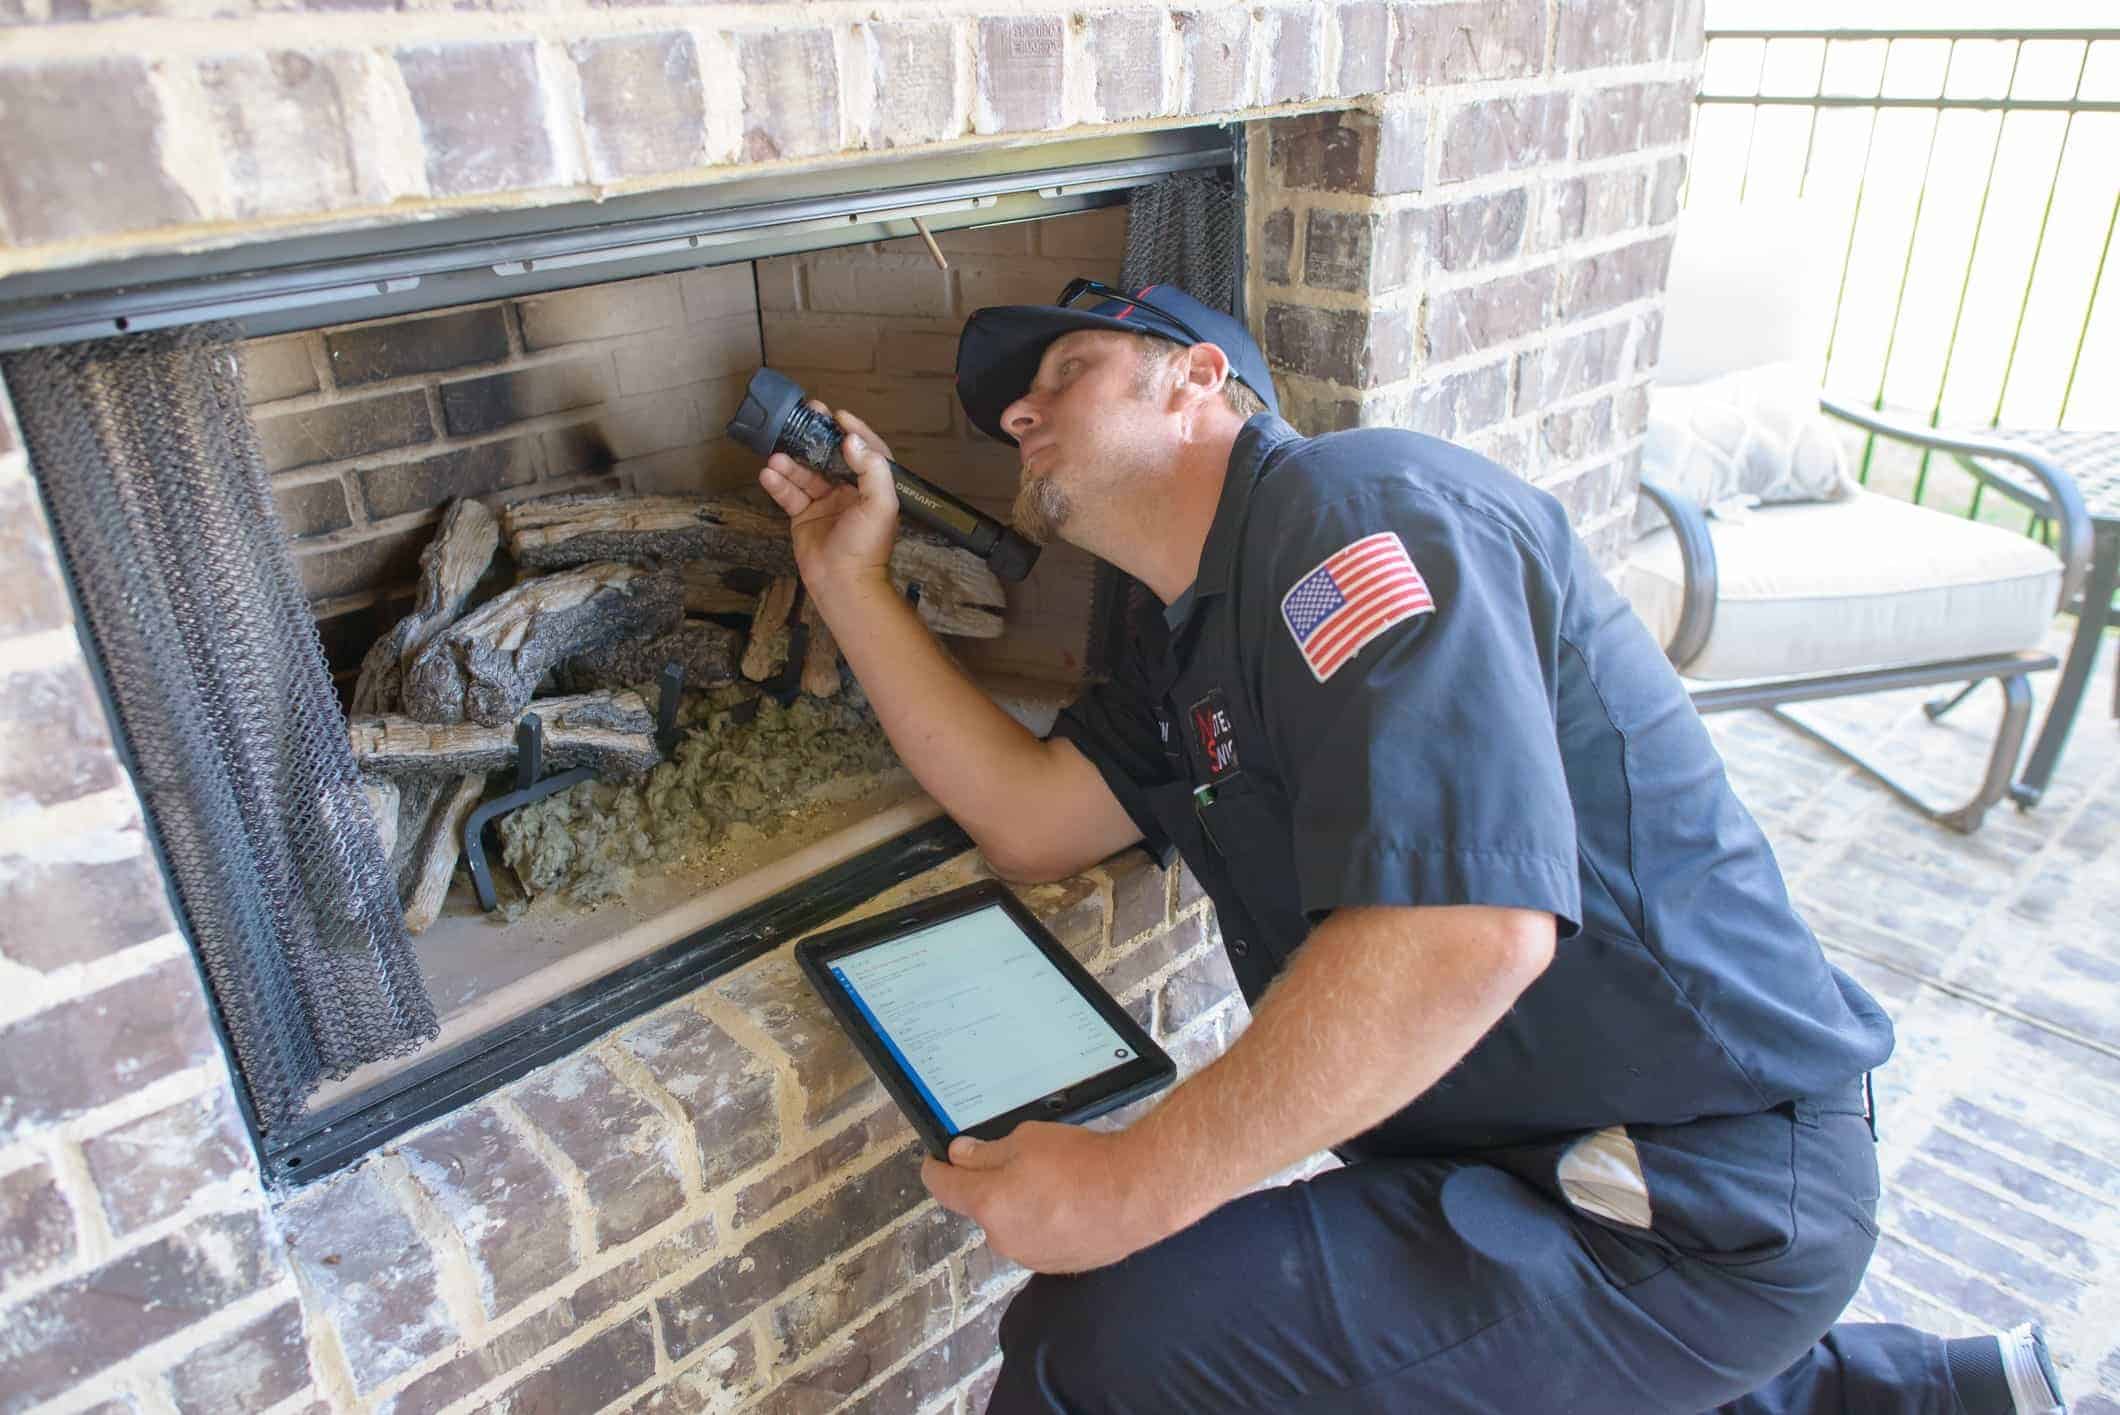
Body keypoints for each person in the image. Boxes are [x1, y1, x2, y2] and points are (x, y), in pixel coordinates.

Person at [755, 279, 2069, 1414]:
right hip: (1517, 1158)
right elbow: (1031, 818)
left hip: (1683, 1193)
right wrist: (849, 580)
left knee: (1101, 1345)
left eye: (1064, 374)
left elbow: (1465, 932)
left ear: (1197, 380)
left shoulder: (1352, 515)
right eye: (1014, 406)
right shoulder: (1187, 635)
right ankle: (1917, 1395)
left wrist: (1127, 1187)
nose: (1019, 417)